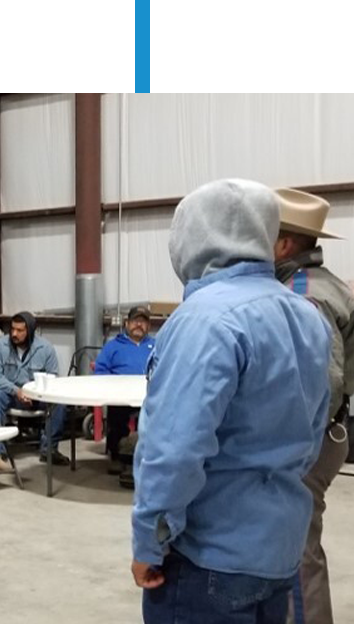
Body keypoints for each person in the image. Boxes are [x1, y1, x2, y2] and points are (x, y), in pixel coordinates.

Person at [131, 179, 332, 624]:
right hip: (280, 551)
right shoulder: (305, 316)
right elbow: (313, 431)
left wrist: (150, 540)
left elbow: (174, 449)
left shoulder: (204, 320)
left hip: (209, 559)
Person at [273, 187, 354, 624]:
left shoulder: (302, 294)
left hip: (312, 438)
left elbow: (324, 382)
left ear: (284, 244)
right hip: (328, 432)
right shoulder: (319, 283)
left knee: (298, 549)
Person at [0, 312, 69, 467]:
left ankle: (49, 449)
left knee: (59, 402)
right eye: (12, 329)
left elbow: (52, 376)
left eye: (20, 330)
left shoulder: (45, 348)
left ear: (30, 331)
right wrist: (16, 391)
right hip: (9, 394)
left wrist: (35, 392)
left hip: (37, 396)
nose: (14, 334)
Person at [94, 305, 155, 479]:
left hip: (148, 397)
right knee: (117, 416)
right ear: (127, 323)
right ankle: (116, 455)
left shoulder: (156, 345)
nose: (139, 325)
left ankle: (148, 457)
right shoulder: (112, 346)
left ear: (148, 326)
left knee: (155, 419)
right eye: (136, 321)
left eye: (143, 322)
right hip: (120, 396)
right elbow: (100, 370)